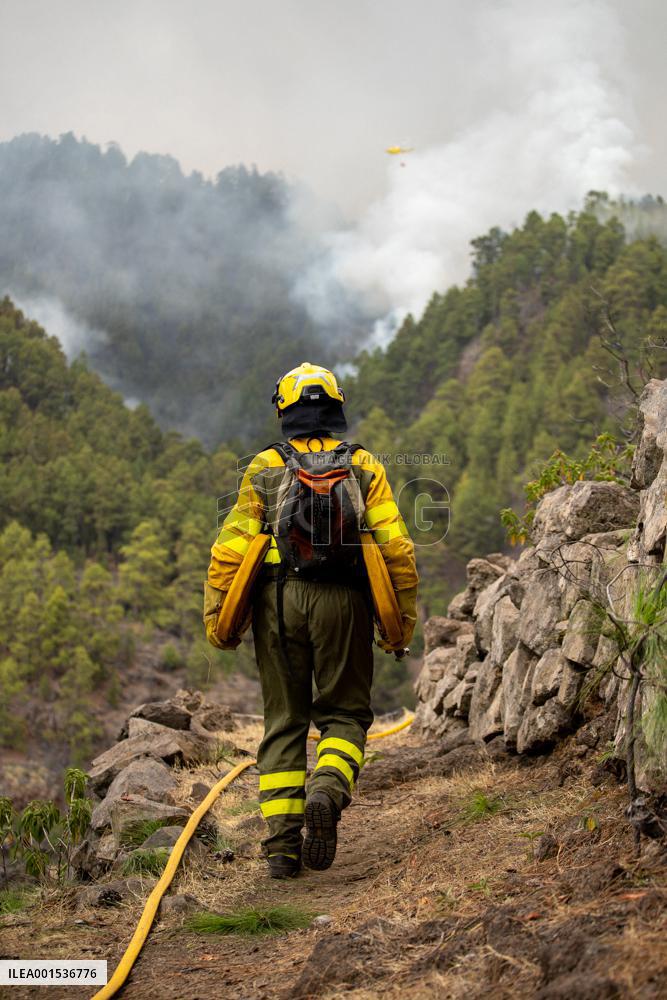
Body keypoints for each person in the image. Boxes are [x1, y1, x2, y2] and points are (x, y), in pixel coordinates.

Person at [203, 362, 418, 878]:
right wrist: (399, 625)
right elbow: (397, 549)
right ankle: (327, 788)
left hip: (278, 602)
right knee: (345, 714)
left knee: (284, 720)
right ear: (336, 408)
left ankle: (281, 849)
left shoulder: (264, 466)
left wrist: (219, 618)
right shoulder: (363, 465)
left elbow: (230, 548)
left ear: (285, 411)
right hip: (344, 601)